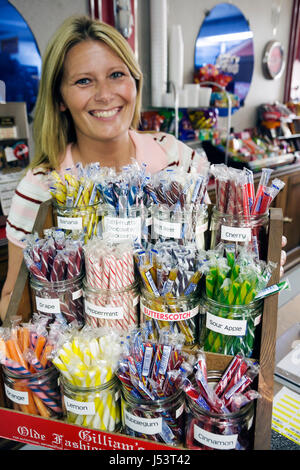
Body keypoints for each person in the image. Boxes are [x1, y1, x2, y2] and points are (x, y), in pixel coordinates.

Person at [0, 15, 287, 322]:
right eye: (83, 80)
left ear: (135, 82)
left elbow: (219, 262)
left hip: (182, 354)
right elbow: (11, 298)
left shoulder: (178, 159)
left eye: (116, 74)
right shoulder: (40, 187)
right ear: (59, 97)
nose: (105, 94)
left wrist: (258, 270)